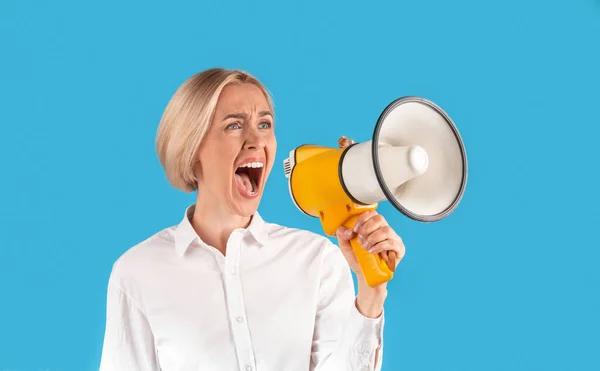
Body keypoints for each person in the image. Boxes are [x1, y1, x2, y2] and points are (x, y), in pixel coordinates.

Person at [98, 68, 406, 371]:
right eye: (234, 125)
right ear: (192, 148)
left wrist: (370, 293)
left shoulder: (316, 260)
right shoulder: (139, 272)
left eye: (265, 124)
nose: (255, 139)